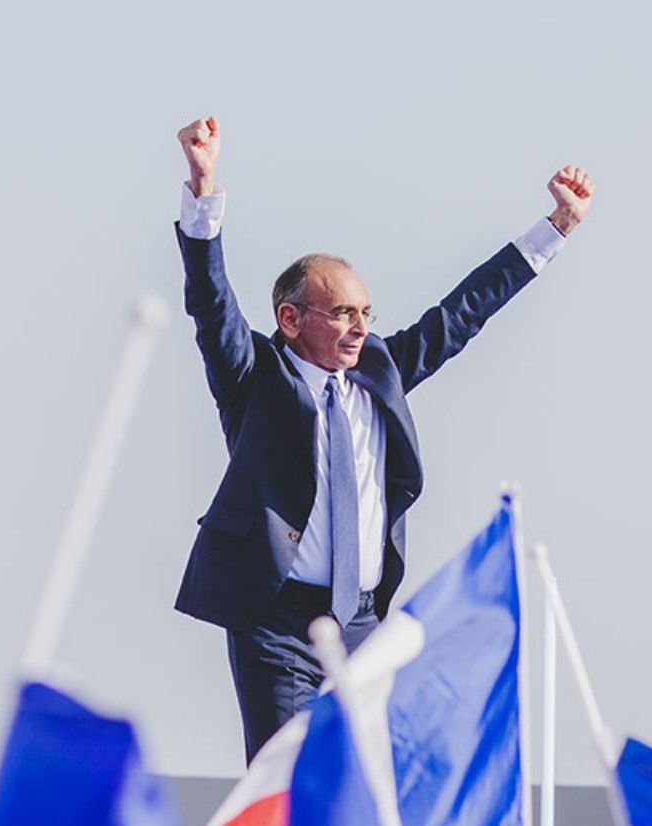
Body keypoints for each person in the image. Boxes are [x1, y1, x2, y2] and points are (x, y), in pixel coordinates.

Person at [171, 115, 593, 762]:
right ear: (290, 318)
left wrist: (556, 227)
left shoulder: (381, 369)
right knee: (287, 783)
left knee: (371, 783)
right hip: (278, 626)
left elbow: (463, 313)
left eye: (365, 313)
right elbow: (212, 304)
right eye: (342, 313)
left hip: (363, 622)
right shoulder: (256, 378)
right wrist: (203, 191)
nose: (359, 328)